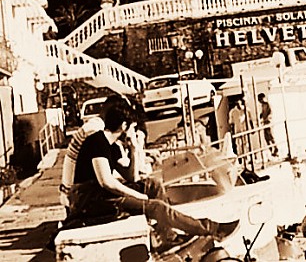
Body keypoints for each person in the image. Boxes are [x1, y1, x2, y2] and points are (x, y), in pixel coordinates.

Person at [62, 101, 237, 244]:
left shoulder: (113, 146)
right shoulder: (97, 141)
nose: (133, 131)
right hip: (88, 200)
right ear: (124, 126)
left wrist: (132, 147)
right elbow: (106, 181)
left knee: (152, 184)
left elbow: (132, 177)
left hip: (101, 195)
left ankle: (167, 235)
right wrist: (140, 198)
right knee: (155, 206)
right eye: (132, 127)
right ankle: (213, 229)